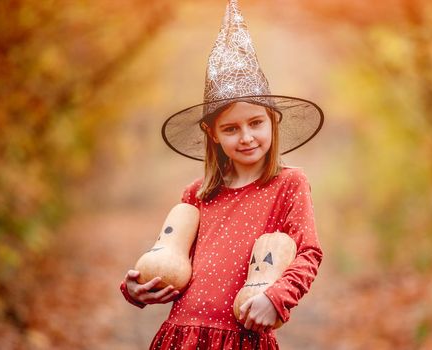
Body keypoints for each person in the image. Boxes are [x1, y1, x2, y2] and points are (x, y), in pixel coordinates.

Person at [119, 0, 325, 348]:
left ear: (273, 122)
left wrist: (276, 298)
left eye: (256, 123)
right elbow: (170, 259)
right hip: (182, 335)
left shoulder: (288, 184)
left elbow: (308, 253)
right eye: (231, 128)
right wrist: (135, 289)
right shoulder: (196, 196)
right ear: (212, 133)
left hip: (242, 337)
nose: (246, 137)